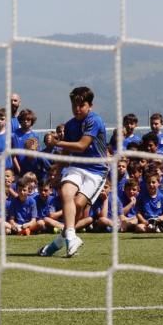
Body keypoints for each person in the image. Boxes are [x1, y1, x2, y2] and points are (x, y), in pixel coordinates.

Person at [38, 86, 109, 258]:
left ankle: (58, 243)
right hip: (76, 166)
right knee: (65, 191)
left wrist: (56, 142)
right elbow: (67, 153)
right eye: (74, 105)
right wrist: (59, 168)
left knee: (77, 205)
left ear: (90, 105)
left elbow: (81, 145)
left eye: (81, 105)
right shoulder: (70, 125)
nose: (77, 109)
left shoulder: (94, 121)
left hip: (96, 170)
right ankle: (71, 237)